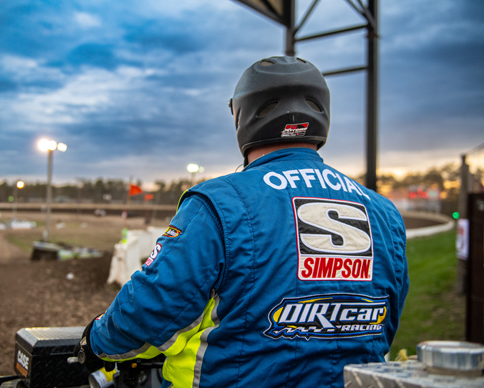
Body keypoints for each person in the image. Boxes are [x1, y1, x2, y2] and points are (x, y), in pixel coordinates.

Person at [77, 56, 409, 387]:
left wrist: (96, 341)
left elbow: (149, 311)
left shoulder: (219, 203)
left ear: (244, 116)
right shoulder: (383, 212)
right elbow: (385, 326)